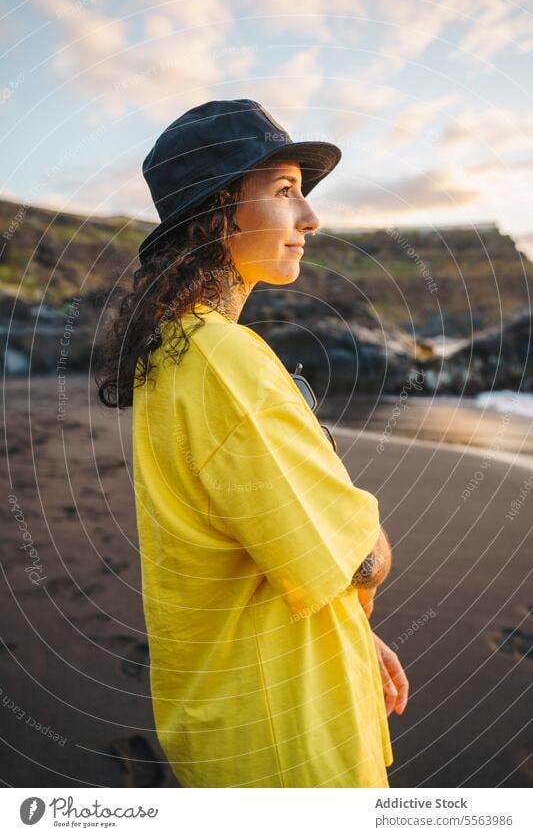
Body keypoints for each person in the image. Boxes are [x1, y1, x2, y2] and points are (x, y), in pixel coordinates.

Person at [96, 99, 409, 788]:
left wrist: (355, 634)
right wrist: (373, 548)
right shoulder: (222, 358)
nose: (310, 218)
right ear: (219, 211)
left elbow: (268, 545)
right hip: (287, 741)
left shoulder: (175, 354)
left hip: (237, 723)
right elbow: (351, 556)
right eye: (284, 192)